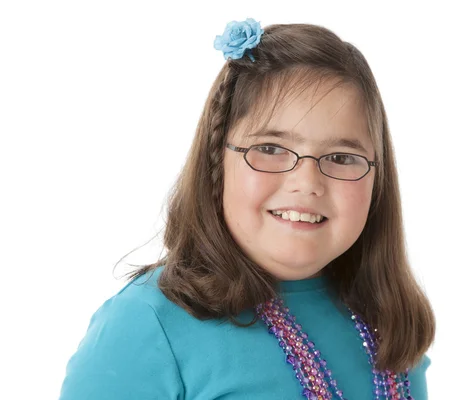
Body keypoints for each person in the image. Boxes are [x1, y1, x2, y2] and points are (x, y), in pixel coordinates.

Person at [59, 18, 436, 400]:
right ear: (216, 162)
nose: (306, 182)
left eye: (341, 156)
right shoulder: (147, 324)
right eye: (270, 149)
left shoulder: (390, 325)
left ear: (378, 177)